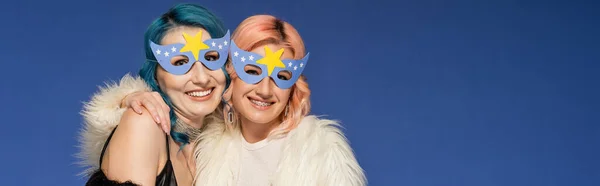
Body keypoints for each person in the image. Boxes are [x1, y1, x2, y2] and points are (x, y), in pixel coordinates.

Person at [81, 15, 367, 186]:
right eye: (252, 71)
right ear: (232, 72)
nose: (265, 90)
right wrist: (128, 98)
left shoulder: (320, 150)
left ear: (293, 87)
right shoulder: (205, 143)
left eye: (281, 76)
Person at [78, 3, 231, 186]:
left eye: (211, 58)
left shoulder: (218, 144)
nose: (201, 77)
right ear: (156, 76)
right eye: (181, 62)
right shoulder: (144, 124)